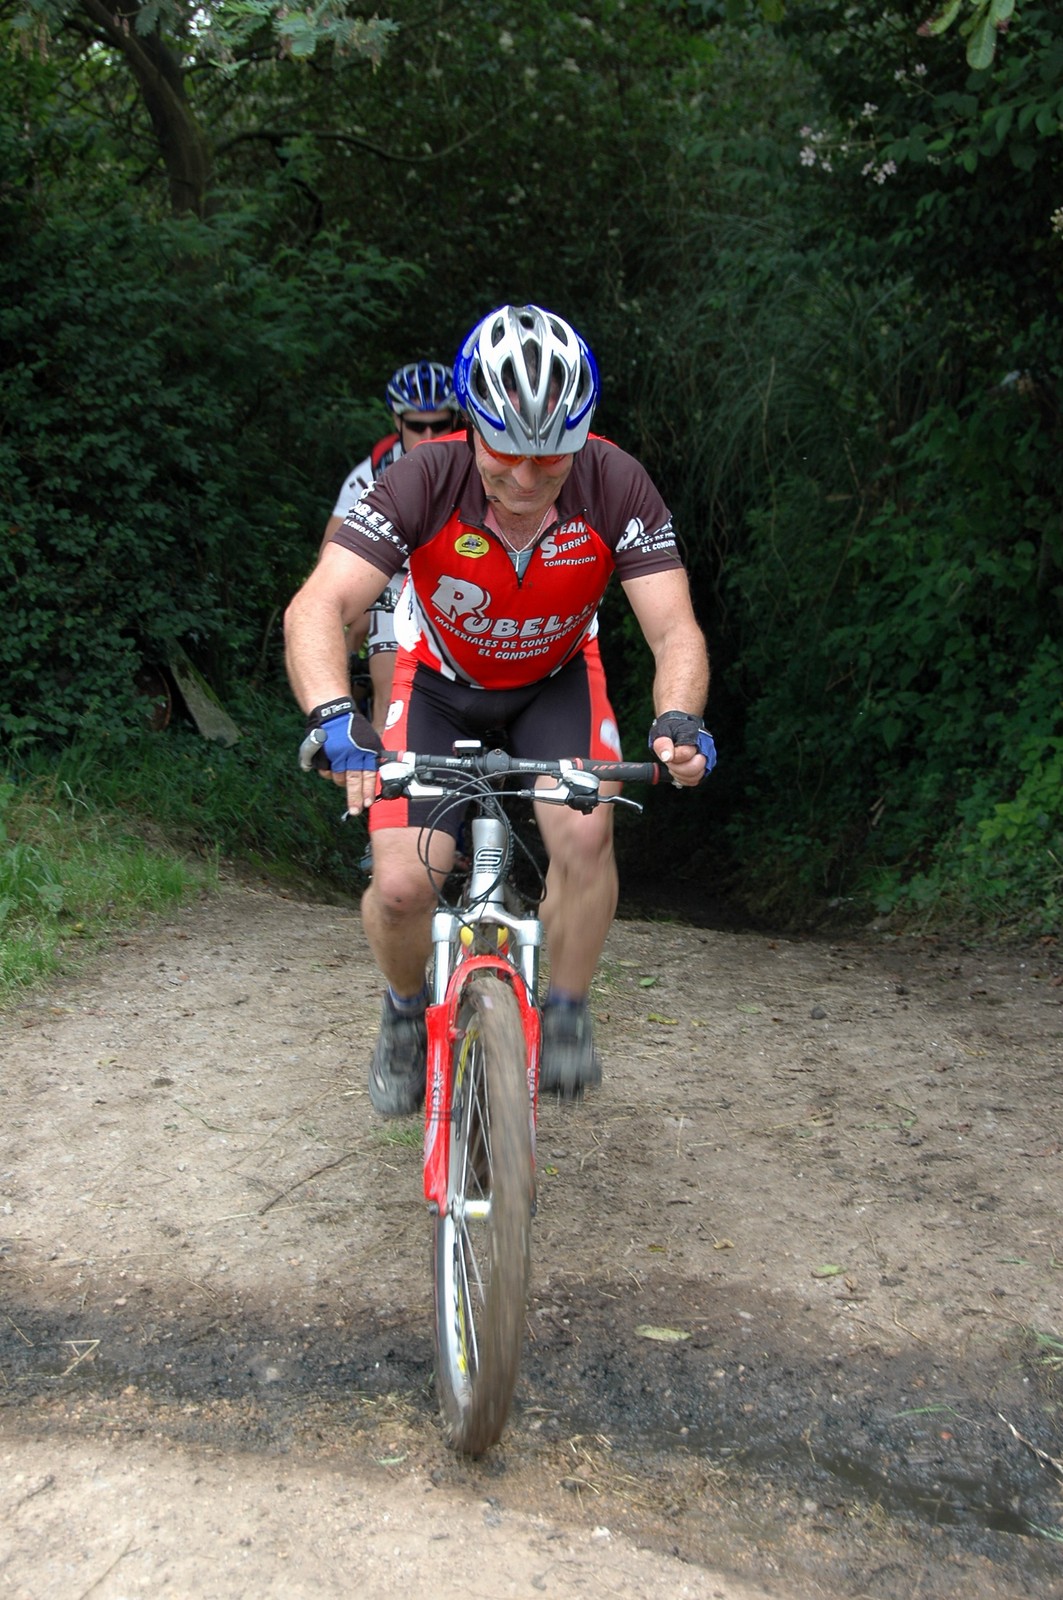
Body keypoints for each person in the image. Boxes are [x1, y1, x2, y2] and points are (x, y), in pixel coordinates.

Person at [286, 304, 713, 1114]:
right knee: (403, 885)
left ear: (581, 437)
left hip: (556, 683)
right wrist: (334, 711)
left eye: (549, 458)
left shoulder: (615, 482)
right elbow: (319, 604)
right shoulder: (422, 478)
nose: (524, 479)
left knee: (585, 834)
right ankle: (404, 1010)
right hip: (437, 686)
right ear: (471, 428)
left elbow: (673, 629)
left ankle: (567, 1009)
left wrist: (678, 720)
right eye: (504, 453)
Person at [318, 359, 463, 732]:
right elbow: (330, 558)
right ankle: (349, 721)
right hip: (394, 580)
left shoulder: (480, 465)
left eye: (440, 425)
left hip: (455, 582)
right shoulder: (369, 475)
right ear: (397, 422)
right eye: (416, 426)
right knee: (391, 692)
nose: (428, 435)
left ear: (457, 421)